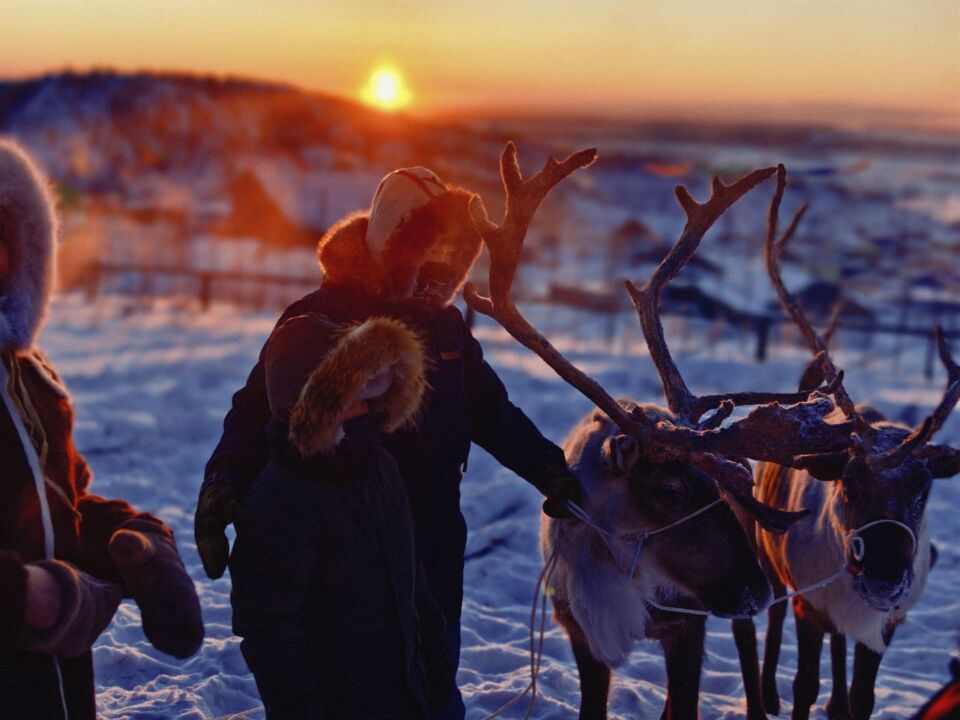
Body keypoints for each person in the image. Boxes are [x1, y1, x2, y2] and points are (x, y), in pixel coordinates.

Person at [196, 166, 582, 718]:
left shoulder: (445, 326)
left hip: (433, 548)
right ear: (390, 240)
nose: (439, 265)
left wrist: (549, 468)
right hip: (345, 561)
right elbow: (258, 412)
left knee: (434, 685)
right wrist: (224, 482)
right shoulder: (319, 322)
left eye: (452, 250)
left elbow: (490, 411)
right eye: (427, 246)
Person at [0, 140, 203, 720]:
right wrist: (20, 598)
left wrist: (139, 543)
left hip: (54, 693)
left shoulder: (27, 375)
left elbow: (57, 504)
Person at [229, 311, 448, 719]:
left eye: (371, 394)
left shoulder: (382, 470)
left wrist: (437, 685)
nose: (366, 408)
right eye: (348, 399)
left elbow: (413, 589)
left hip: (405, 700)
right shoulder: (284, 496)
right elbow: (268, 628)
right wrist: (301, 709)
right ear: (306, 406)